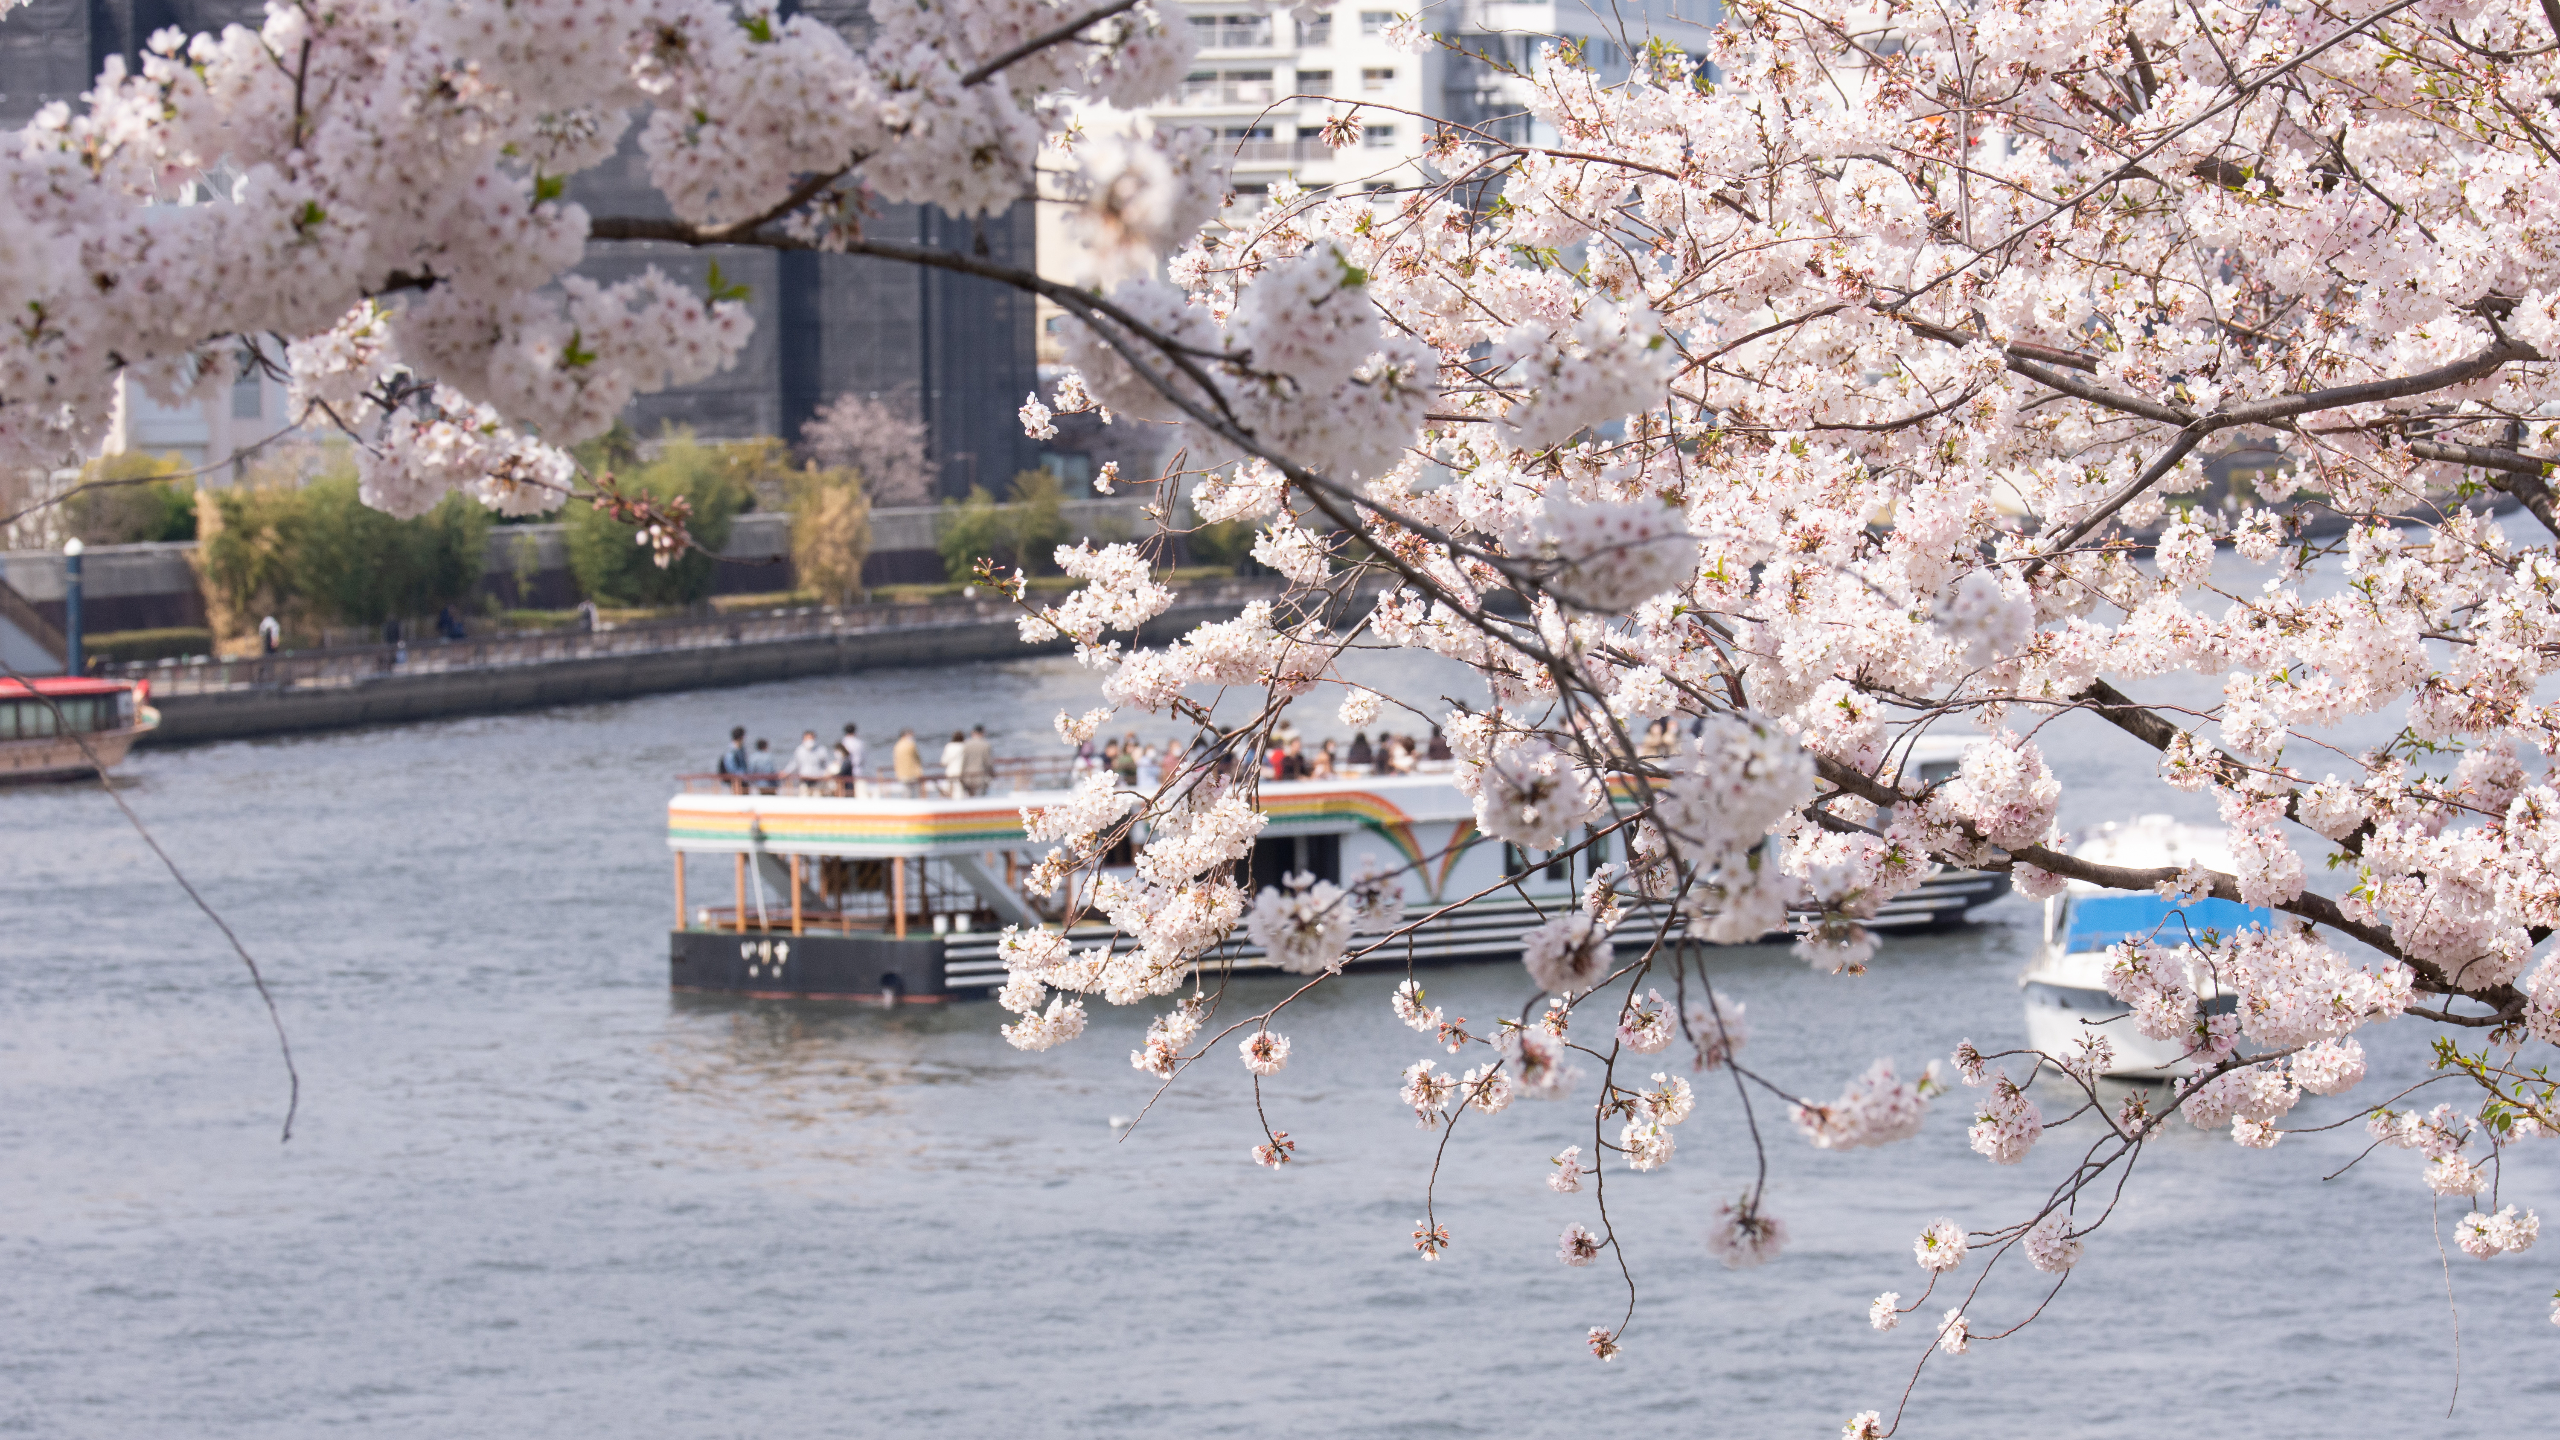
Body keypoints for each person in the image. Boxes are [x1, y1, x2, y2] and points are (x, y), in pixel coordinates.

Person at [791, 729, 832, 795]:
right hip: (804, 780)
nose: (809, 740)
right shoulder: (799, 750)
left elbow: (827, 764)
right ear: (803, 739)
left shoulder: (821, 750)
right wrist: (785, 772)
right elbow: (794, 764)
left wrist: (829, 773)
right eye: (807, 738)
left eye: (811, 738)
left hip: (818, 781)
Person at [960, 724, 995, 797]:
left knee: (970, 797)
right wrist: (992, 772)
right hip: (981, 775)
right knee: (981, 798)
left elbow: (963, 761)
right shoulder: (985, 745)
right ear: (982, 732)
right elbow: (988, 762)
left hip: (967, 776)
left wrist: (961, 774)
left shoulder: (966, 744)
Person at [716, 726, 751, 792]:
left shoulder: (740, 749)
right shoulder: (732, 751)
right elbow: (732, 769)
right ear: (741, 737)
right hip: (737, 781)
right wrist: (743, 776)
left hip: (742, 779)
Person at [837, 723, 867, 796]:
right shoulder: (860, 743)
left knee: (847, 791)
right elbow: (863, 758)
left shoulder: (843, 743)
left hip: (846, 771)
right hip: (858, 770)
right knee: (857, 792)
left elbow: (839, 758)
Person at [893, 727, 924, 796]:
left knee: (906, 790)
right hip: (912, 772)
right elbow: (917, 758)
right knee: (915, 791)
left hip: (901, 772)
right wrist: (919, 770)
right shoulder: (910, 745)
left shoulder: (897, 745)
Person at [940, 730, 967, 797]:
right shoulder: (965, 746)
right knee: (960, 792)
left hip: (950, 772)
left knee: (949, 792)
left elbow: (944, 761)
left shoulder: (949, 746)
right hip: (962, 771)